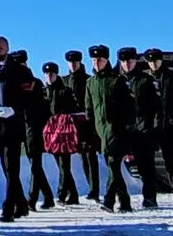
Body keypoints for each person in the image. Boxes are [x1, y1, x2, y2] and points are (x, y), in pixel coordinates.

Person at [0, 37, 32, 222]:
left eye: (0, 47)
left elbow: (29, 98)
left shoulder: (20, 71)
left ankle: (8, 208)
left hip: (13, 126)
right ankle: (22, 204)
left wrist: (14, 110)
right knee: (6, 169)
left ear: (7, 49)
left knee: (12, 168)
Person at [83, 44, 133, 213]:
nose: (97, 63)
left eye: (100, 60)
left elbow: (128, 106)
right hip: (100, 131)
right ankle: (124, 201)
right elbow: (89, 109)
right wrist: (90, 133)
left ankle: (109, 200)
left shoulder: (117, 80)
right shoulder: (90, 83)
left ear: (107, 60)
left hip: (116, 129)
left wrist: (126, 126)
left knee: (112, 163)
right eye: (94, 60)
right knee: (112, 165)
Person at [144, 48, 173, 205]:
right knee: (149, 162)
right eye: (150, 61)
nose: (153, 64)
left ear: (161, 61)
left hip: (172, 127)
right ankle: (151, 195)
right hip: (153, 127)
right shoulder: (145, 79)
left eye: (156, 60)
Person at [119, 47, 161, 208]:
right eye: (123, 61)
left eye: (129, 61)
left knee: (146, 167)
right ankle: (122, 200)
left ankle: (150, 197)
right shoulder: (118, 81)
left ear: (135, 61)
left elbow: (157, 107)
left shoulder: (146, 80)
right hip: (125, 129)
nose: (126, 64)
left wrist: (154, 129)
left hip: (144, 130)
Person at [12, 50, 53, 211]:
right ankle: (46, 196)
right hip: (23, 127)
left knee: (35, 163)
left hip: (34, 127)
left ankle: (32, 198)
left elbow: (41, 107)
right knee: (34, 164)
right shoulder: (15, 84)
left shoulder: (33, 83)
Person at [40, 62, 80, 205]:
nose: (49, 77)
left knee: (64, 164)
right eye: (46, 74)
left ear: (56, 75)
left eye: (51, 74)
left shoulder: (65, 91)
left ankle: (62, 193)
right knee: (60, 164)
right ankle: (73, 193)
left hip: (63, 133)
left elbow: (72, 109)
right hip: (50, 134)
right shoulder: (43, 92)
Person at [63, 49, 99, 202]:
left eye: (75, 62)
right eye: (70, 63)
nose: (73, 65)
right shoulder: (64, 81)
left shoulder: (87, 79)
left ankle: (94, 189)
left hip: (86, 121)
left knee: (90, 156)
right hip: (71, 123)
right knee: (79, 156)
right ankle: (73, 192)